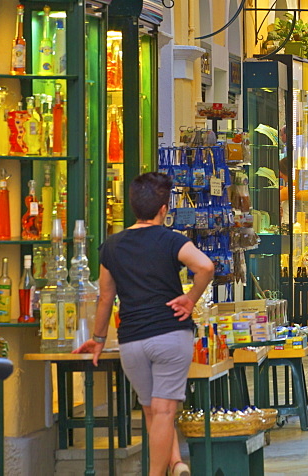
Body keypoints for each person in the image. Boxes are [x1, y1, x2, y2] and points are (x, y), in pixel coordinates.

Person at [74, 172, 215, 476]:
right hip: (169, 333)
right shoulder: (171, 240)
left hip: (132, 341)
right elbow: (205, 266)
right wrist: (190, 298)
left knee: (153, 409)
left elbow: (105, 297)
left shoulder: (111, 246)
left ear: (133, 206)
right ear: (164, 209)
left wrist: (98, 339)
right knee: (165, 410)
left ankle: (175, 463)